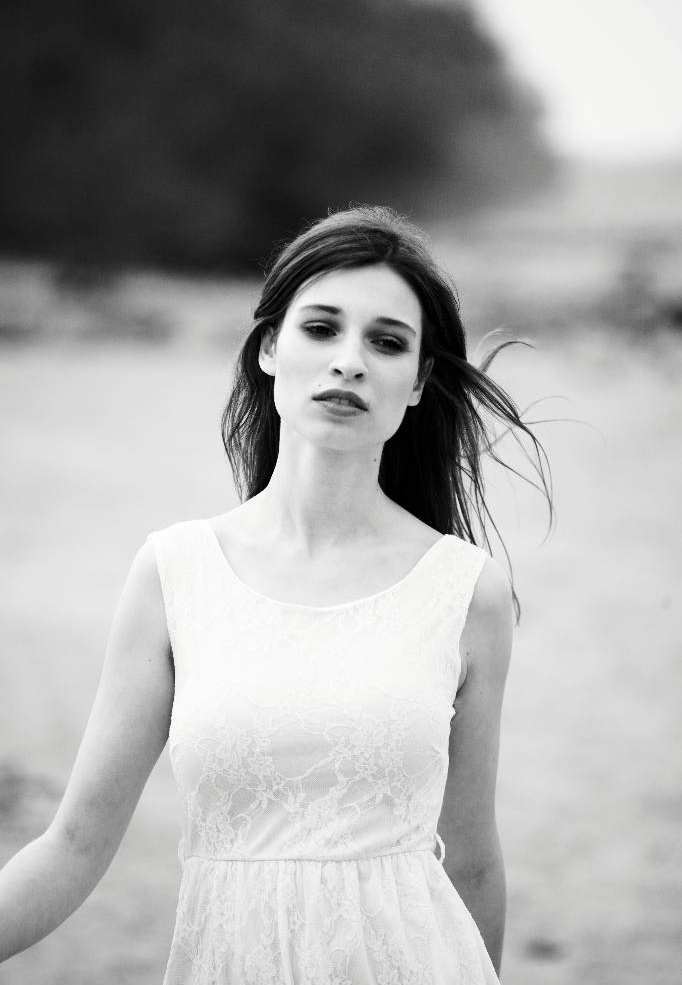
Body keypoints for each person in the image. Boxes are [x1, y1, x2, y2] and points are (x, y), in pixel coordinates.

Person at [0, 205, 551, 983]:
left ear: (419, 382)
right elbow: (74, 845)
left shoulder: (465, 590)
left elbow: (472, 860)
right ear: (268, 348)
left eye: (387, 342)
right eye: (321, 329)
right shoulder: (176, 572)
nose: (349, 362)